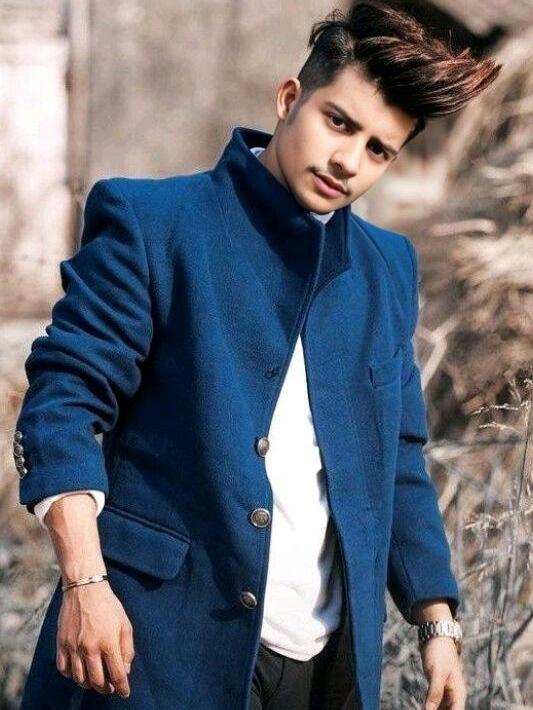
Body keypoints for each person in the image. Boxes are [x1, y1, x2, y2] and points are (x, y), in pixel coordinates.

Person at [14, 2, 501, 708]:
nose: (348, 161)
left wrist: (437, 622)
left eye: (378, 150)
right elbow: (63, 403)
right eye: (339, 122)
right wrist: (86, 584)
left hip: (325, 667)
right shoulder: (155, 223)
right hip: (155, 649)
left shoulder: (385, 268)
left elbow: (396, 460)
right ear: (289, 97)